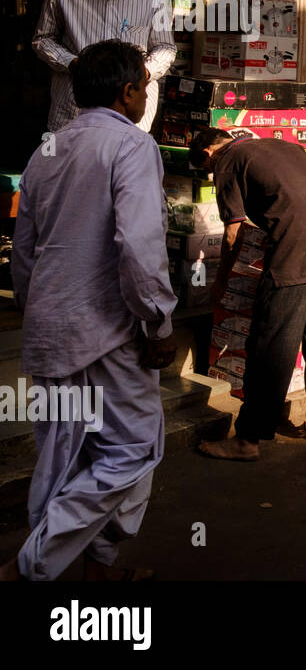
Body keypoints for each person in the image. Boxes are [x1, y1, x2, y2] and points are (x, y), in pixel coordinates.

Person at [2, 41, 176, 582]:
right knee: (133, 448)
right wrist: (158, 320)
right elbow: (140, 245)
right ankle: (30, 568)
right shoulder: (131, 145)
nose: (146, 97)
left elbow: (23, 249)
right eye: (144, 88)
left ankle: (97, 569)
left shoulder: (46, 150)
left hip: (53, 326)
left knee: (63, 458)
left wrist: (39, 311)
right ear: (127, 92)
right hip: (108, 331)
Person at [188, 127, 306, 461]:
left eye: (205, 171)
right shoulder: (283, 145)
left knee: (270, 344)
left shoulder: (226, 162)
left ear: (208, 153)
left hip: (296, 252)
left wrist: (221, 281)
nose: (210, 175)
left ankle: (248, 439)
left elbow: (233, 233)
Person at [32, 0, 175, 134]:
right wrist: (73, 64)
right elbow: (42, 39)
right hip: (75, 107)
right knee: (73, 163)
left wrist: (142, 73)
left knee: (125, 161)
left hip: (130, 111)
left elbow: (165, 47)